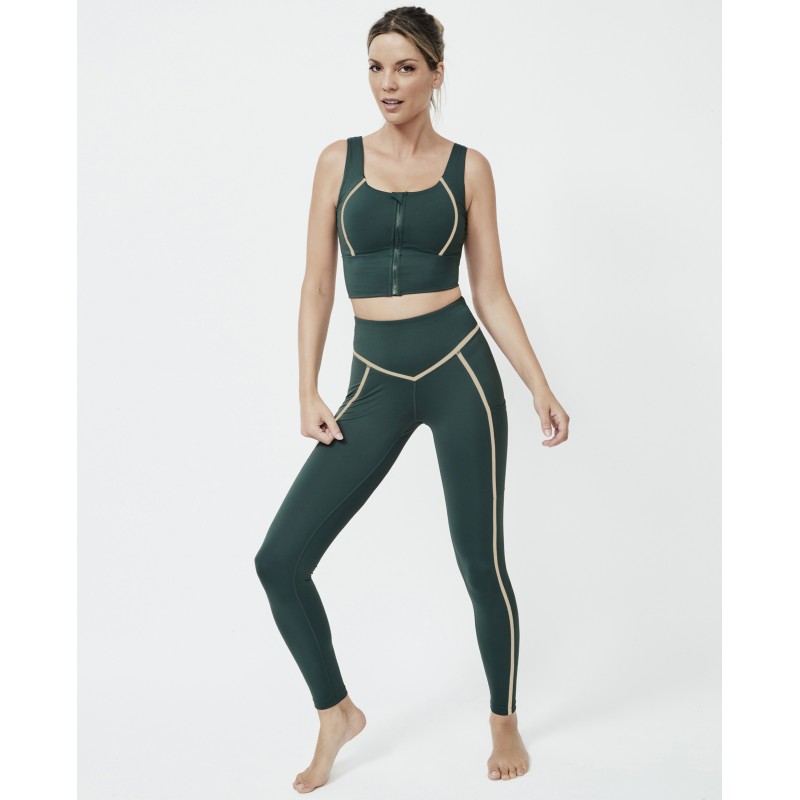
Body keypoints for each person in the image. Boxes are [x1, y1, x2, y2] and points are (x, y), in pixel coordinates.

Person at [254, 6, 570, 793]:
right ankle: (335, 711)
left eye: (404, 67)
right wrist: (306, 387)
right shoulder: (337, 161)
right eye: (375, 66)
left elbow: (490, 291)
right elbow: (317, 284)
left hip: (460, 369)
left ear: (435, 74)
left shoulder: (471, 169)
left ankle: (503, 718)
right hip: (374, 380)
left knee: (480, 559)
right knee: (280, 559)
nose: (387, 83)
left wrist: (538, 384)